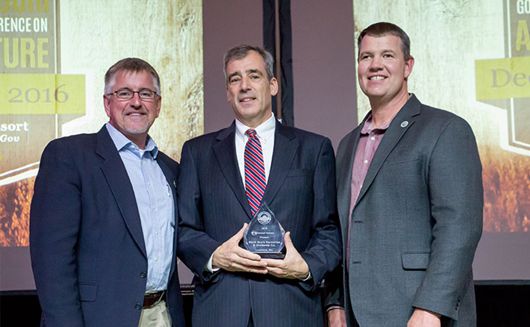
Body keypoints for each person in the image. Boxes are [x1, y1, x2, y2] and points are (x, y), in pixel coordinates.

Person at [326, 22, 483, 327]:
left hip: (419, 313)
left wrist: (431, 307)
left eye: (387, 56)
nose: (375, 65)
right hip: (356, 315)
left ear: (408, 66)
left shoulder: (446, 129)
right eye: (366, 57)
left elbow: (459, 227)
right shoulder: (347, 144)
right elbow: (341, 229)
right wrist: (335, 302)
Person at [177, 44, 341, 326]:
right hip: (221, 309)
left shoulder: (314, 149)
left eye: (254, 75)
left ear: (273, 85)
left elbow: (328, 229)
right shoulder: (197, 153)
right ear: (228, 92)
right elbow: (183, 230)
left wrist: (306, 267)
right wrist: (216, 256)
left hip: (291, 308)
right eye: (234, 79)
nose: (244, 86)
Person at [30, 58, 185, 327]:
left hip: (163, 315)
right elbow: (52, 263)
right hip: (98, 319)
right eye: (124, 93)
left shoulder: (170, 170)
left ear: (158, 105)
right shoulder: (69, 156)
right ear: (107, 103)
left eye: (146, 93)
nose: (136, 102)